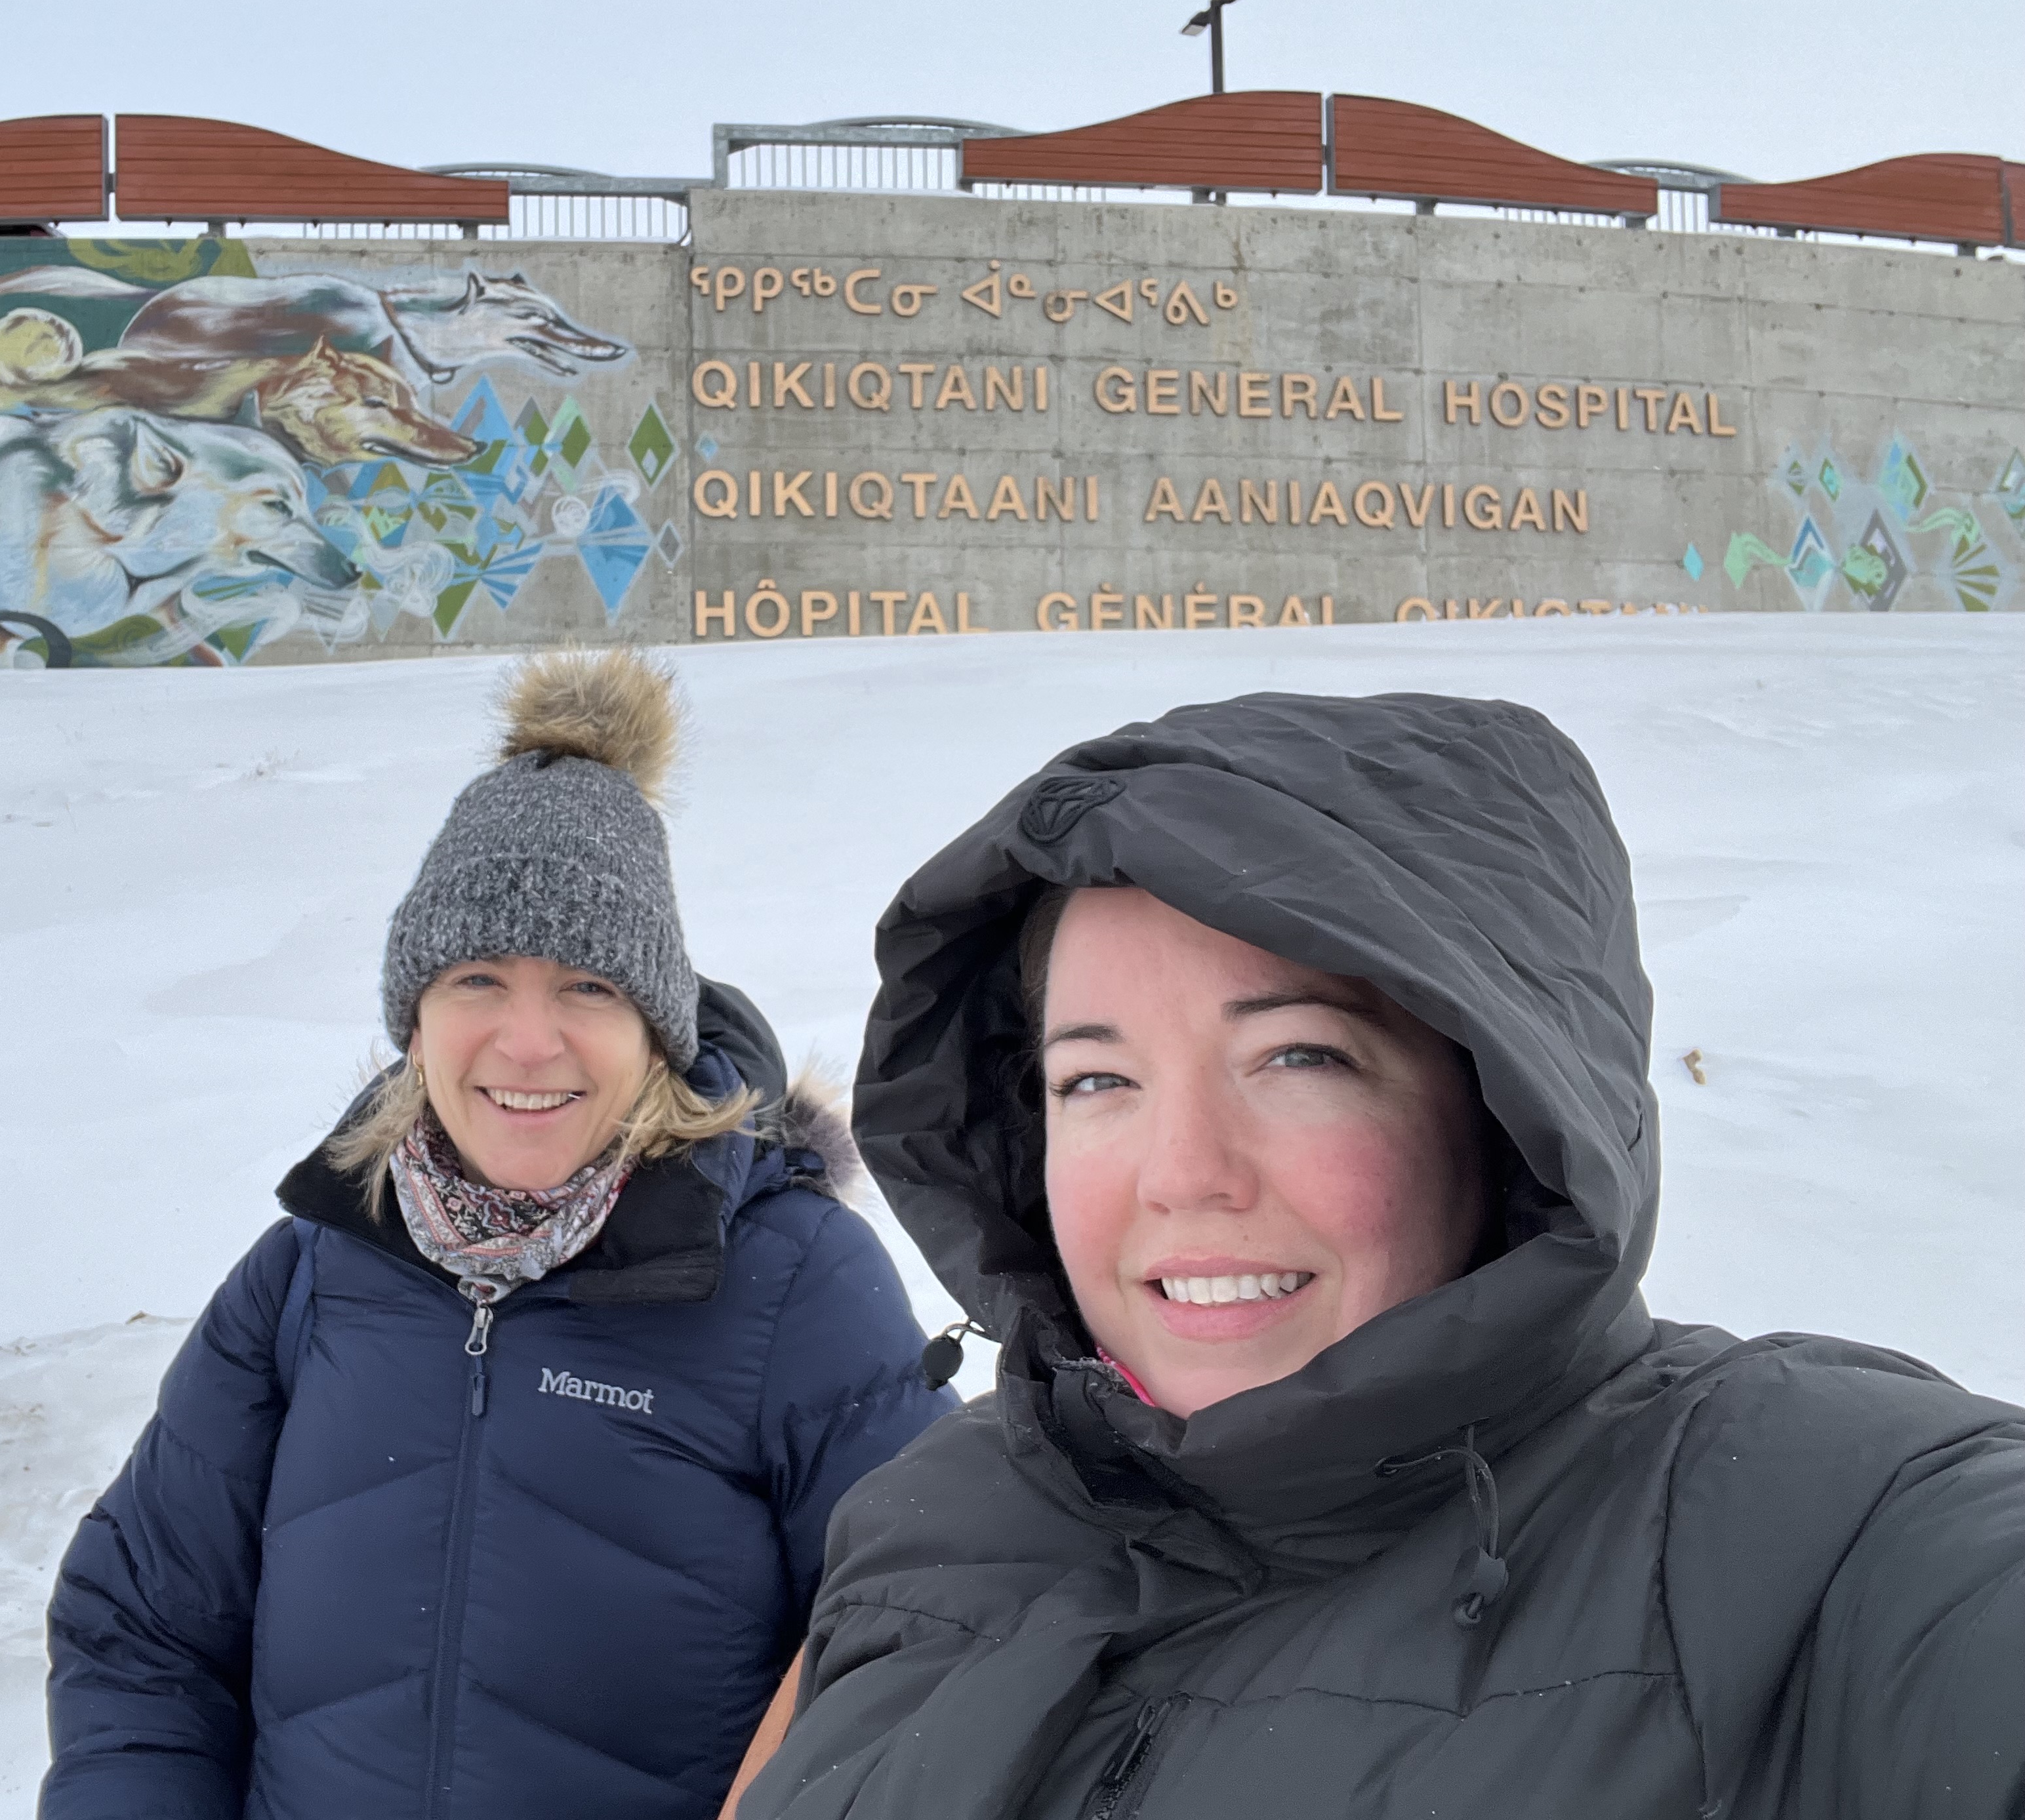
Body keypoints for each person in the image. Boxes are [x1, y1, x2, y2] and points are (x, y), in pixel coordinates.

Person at [733, 691, 2023, 1819]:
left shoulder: (1814, 1531)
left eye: (1299, 1057)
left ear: (1501, 1108)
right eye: (1097, 1078)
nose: (1181, 1173)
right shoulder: (939, 1515)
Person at [41, 648, 949, 1820]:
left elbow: (924, 1655)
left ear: (656, 1030)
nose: (528, 1043)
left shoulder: (794, 1285)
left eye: (589, 987)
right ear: (415, 1019)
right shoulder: (313, 1269)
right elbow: (141, 1629)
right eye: (477, 979)